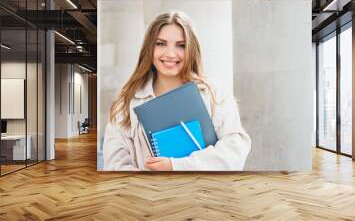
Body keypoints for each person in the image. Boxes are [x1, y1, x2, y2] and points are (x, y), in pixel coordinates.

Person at [103, 11, 251, 171]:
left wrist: (176, 166)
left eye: (181, 45)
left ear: (191, 50)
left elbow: (234, 151)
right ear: (149, 48)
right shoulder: (125, 104)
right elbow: (114, 166)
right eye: (160, 43)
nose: (170, 54)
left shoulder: (215, 93)